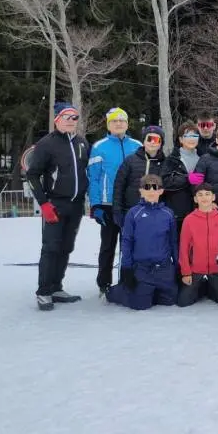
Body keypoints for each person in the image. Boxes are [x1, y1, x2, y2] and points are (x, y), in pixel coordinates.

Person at [26, 102, 89, 310]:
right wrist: (44, 203)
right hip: (55, 204)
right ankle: (43, 291)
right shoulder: (47, 144)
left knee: (66, 247)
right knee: (51, 247)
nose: (72, 121)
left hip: (76, 204)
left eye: (75, 117)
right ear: (57, 120)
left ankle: (56, 286)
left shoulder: (82, 143)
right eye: (67, 117)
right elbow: (32, 174)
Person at [87, 107, 141, 298]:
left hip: (132, 204)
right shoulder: (99, 146)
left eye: (122, 120)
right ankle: (104, 282)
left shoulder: (136, 145)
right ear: (108, 125)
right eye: (114, 121)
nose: (118, 124)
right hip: (107, 204)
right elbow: (92, 177)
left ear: (127, 124)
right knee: (108, 245)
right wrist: (95, 205)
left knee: (132, 244)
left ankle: (131, 279)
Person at [109, 174, 178, 310]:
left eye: (155, 187)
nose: (151, 191)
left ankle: (152, 290)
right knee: (140, 305)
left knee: (171, 301)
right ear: (141, 191)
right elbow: (127, 241)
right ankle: (116, 292)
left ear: (161, 191)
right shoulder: (133, 213)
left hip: (163, 268)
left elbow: (173, 241)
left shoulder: (168, 213)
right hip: (142, 268)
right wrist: (126, 267)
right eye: (147, 187)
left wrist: (177, 265)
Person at [177, 184, 218, 307]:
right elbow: (184, 247)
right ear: (195, 199)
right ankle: (200, 287)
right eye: (200, 195)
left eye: (207, 194)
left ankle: (210, 287)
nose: (204, 198)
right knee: (183, 301)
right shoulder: (189, 219)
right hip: (195, 270)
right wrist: (186, 272)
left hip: (217, 269)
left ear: (213, 197)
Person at [112, 125, 167, 225]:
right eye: (149, 139)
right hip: (131, 212)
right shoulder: (130, 161)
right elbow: (119, 187)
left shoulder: (166, 164)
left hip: (155, 214)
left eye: (156, 139)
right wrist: (117, 211)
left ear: (161, 143)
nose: (152, 142)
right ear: (144, 141)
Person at [161, 121, 199, 226]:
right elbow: (164, 182)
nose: (192, 139)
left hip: (198, 211)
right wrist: (187, 179)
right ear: (181, 139)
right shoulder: (172, 160)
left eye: (195, 136)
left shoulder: (203, 159)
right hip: (177, 213)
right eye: (188, 136)